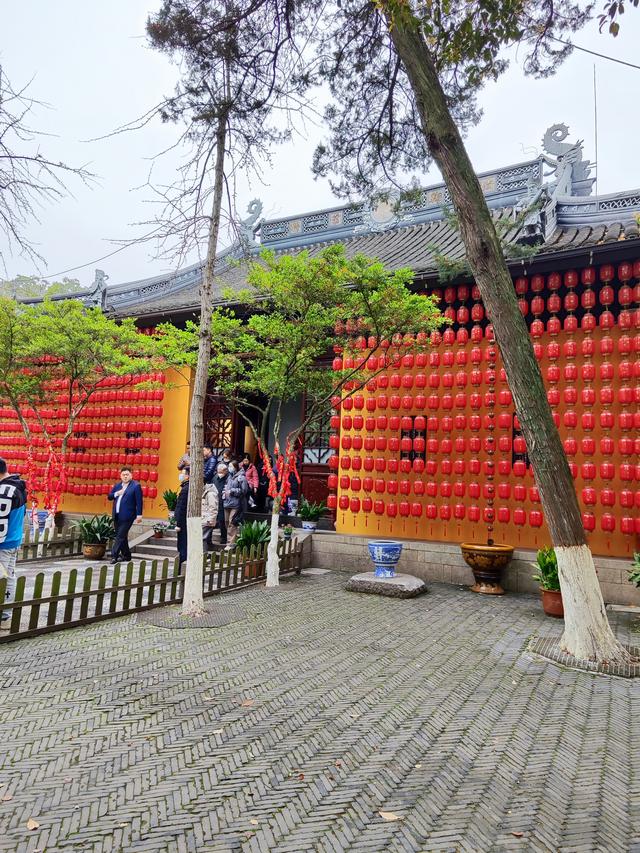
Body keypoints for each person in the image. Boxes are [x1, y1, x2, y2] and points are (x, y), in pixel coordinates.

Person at [0, 459, 27, 630]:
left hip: (3, 542)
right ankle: (6, 616)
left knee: (3, 579)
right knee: (9, 577)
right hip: (14, 540)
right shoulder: (19, 486)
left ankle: (4, 615)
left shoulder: (4, 491)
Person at [107, 467, 143, 564]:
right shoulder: (117, 486)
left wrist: (139, 514)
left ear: (131, 475)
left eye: (127, 474)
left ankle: (114, 555)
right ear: (120, 476)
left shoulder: (136, 486)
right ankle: (126, 555)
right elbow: (109, 497)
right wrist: (117, 493)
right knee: (122, 536)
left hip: (128, 516)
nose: (125, 476)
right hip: (117, 515)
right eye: (123, 475)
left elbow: (139, 501)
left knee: (119, 536)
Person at [222, 459, 249, 548]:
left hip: (236, 504)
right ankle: (232, 539)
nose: (229, 468)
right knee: (226, 522)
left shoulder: (241, 477)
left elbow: (244, 490)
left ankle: (230, 544)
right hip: (227, 502)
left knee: (232, 523)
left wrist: (232, 491)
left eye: (231, 466)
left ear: (235, 467)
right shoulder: (229, 477)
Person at [174, 468, 190, 564]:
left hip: (183, 523)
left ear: (187, 476)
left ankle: (181, 566)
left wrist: (178, 524)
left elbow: (182, 508)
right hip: (185, 522)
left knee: (182, 546)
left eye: (183, 474)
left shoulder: (185, 489)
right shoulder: (186, 487)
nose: (181, 475)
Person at [212, 462, 229, 546]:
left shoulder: (229, 478)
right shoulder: (215, 477)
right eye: (218, 471)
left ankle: (224, 538)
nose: (219, 473)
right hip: (215, 501)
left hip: (224, 503)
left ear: (225, 471)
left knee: (223, 521)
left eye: (221, 472)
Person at [202, 479, 219, 552]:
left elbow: (213, 508)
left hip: (206, 520)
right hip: (203, 519)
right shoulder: (204, 492)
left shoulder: (211, 494)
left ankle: (204, 556)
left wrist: (211, 520)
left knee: (202, 538)